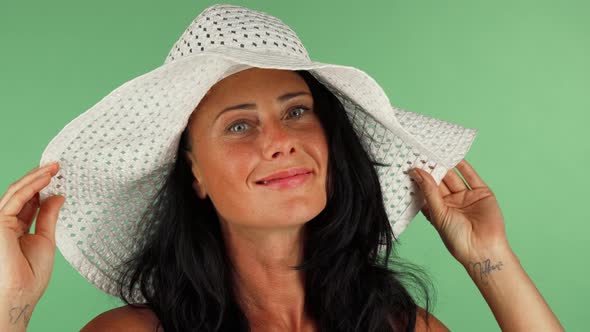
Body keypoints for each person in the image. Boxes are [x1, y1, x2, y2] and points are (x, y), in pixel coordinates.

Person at [0, 4, 564, 332]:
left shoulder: (395, 326)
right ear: (194, 172)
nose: (281, 142)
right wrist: (11, 305)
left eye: (297, 112)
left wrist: (491, 259)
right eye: (240, 125)